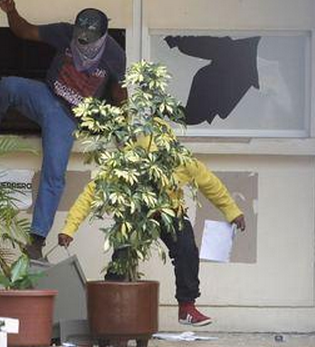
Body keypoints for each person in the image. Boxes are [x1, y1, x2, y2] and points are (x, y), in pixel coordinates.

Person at [0, 0, 127, 260]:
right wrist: (11, 11)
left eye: (88, 40)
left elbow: (120, 94)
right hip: (46, 96)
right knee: (8, 85)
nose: (82, 43)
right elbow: (25, 31)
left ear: (102, 37)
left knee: (54, 173)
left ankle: (37, 240)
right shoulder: (65, 32)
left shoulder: (114, 55)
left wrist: (123, 130)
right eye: (79, 37)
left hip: (68, 116)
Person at [57, 134, 246, 326]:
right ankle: (109, 314)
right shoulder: (123, 164)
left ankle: (187, 308)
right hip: (135, 212)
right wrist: (69, 228)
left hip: (171, 209)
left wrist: (232, 211)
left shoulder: (182, 160)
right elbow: (90, 194)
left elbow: (210, 184)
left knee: (187, 249)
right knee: (122, 258)